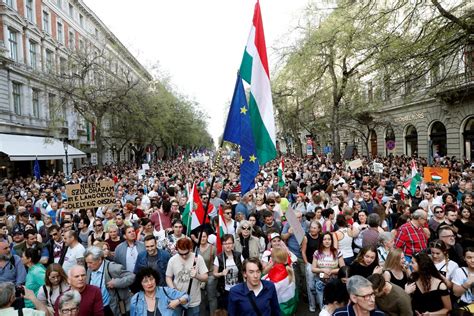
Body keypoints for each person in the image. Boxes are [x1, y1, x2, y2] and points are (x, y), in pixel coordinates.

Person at [84, 246, 135, 316]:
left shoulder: (112, 268)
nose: (88, 265)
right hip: (95, 308)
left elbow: (132, 276)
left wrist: (116, 283)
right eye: (86, 262)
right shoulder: (89, 269)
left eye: (90, 262)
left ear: (99, 260)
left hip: (110, 308)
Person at [165, 238, 208, 316]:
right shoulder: (172, 260)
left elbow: (206, 277)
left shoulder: (198, 258)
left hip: (193, 300)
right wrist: (173, 290)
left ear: (190, 249)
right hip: (177, 299)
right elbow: (168, 277)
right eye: (181, 254)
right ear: (177, 250)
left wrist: (197, 275)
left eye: (186, 253)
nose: (184, 256)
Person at [312, 232, 345, 309]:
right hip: (320, 282)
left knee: (333, 306)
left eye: (329, 239)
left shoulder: (337, 252)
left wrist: (331, 271)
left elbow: (343, 268)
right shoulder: (317, 253)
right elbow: (313, 269)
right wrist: (322, 270)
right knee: (322, 306)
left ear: (332, 241)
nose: (327, 241)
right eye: (324, 239)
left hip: (334, 284)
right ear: (321, 241)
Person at [262, 247, 298, 316]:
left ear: (272, 259)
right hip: (290, 306)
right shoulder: (289, 269)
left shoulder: (275, 278)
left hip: (281, 309)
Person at [213, 234, 244, 310]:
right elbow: (214, 274)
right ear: (222, 245)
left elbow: (244, 269)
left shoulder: (238, 255)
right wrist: (221, 273)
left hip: (238, 288)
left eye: (229, 243)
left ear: (233, 244)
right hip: (225, 291)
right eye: (225, 243)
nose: (228, 246)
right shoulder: (219, 258)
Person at [301, 220, 322, 312]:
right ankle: (312, 305)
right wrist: (307, 264)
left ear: (319, 229)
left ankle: (320, 302)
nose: (312, 229)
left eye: (314, 228)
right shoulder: (306, 237)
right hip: (310, 264)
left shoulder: (321, 237)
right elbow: (303, 251)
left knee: (320, 284)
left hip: (320, 265)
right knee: (310, 286)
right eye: (311, 227)